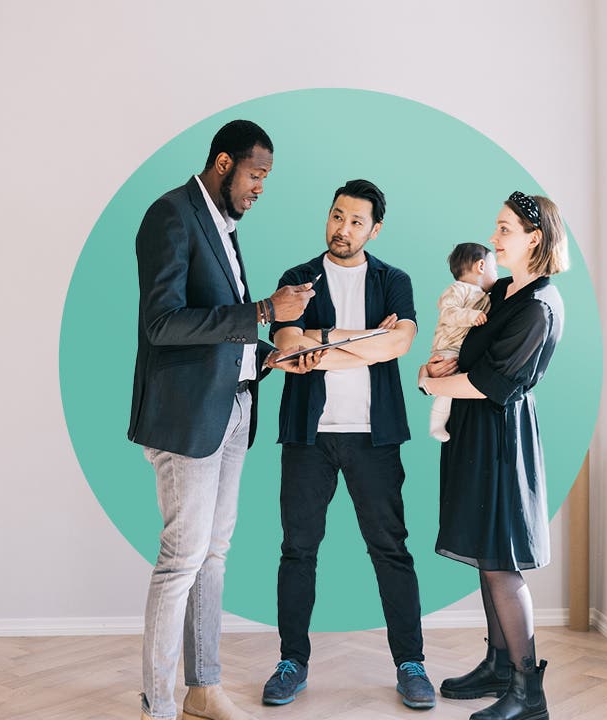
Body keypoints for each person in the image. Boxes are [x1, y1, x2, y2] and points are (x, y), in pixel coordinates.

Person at [129, 119, 321, 720]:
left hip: (235, 406)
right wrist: (265, 310)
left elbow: (219, 326)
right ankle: (157, 704)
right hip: (188, 419)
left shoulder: (223, 226)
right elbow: (163, 324)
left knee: (213, 554)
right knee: (181, 559)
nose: (261, 187)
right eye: (256, 174)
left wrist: (273, 355)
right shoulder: (171, 216)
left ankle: (202, 688)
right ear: (222, 163)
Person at [260, 179, 436, 711]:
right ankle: (292, 661)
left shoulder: (394, 280)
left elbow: (401, 342)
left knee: (391, 550)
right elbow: (287, 347)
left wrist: (325, 341)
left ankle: (411, 663)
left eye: (357, 221)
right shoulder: (297, 278)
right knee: (298, 550)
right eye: (337, 216)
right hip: (308, 436)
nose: (343, 228)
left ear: (374, 228)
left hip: (373, 436)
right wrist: (365, 342)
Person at [418, 192, 568, 720]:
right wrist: (440, 367)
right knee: (487, 555)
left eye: (505, 229)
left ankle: (529, 692)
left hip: (502, 442)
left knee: (502, 563)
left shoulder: (539, 306)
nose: (495, 237)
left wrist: (425, 379)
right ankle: (500, 665)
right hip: (476, 437)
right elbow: (464, 345)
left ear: (535, 238)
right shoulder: (504, 290)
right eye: (497, 227)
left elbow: (492, 383)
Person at [428, 242, 498, 442]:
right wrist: (470, 316)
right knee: (448, 389)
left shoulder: (485, 295)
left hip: (461, 349)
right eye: (495, 268)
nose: (497, 274)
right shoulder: (458, 289)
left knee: (457, 387)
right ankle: (436, 425)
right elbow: (448, 312)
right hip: (448, 347)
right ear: (481, 266)